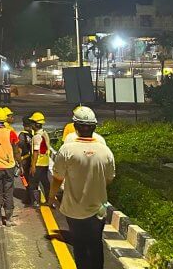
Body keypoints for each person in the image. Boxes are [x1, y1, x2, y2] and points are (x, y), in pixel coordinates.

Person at [50, 106, 115, 269]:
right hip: (97, 209)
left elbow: (58, 177)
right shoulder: (105, 151)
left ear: (75, 126)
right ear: (94, 127)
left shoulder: (67, 149)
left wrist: (51, 197)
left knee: (79, 245)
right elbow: (109, 179)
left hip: (73, 209)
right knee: (95, 244)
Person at [28, 111, 51, 206]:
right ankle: (49, 199)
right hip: (45, 162)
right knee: (45, 181)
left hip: (38, 163)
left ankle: (35, 202)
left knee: (33, 183)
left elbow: (36, 151)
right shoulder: (44, 133)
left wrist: (33, 166)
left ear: (35, 124)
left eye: (32, 123)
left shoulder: (37, 137)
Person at [17, 116, 35, 206]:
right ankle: (32, 197)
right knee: (31, 179)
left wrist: (19, 164)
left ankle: (29, 197)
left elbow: (19, 151)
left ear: (23, 124)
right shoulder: (32, 134)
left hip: (24, 160)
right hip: (32, 160)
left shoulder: (21, 136)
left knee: (25, 179)